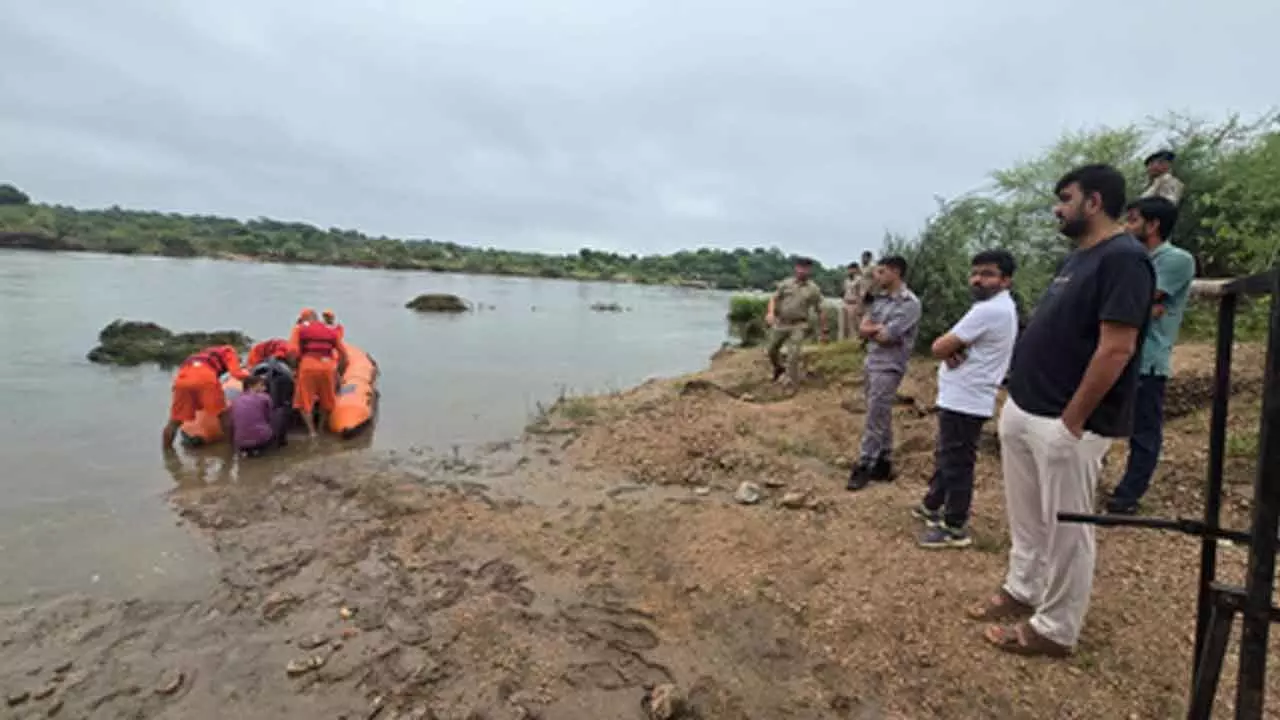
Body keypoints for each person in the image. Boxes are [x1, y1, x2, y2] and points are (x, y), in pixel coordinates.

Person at [971, 164, 1154, 658]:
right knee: (1028, 518)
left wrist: (1073, 419)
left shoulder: (1125, 260)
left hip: (1067, 423)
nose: (1058, 207)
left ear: (1093, 202)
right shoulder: (1080, 258)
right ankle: (1022, 588)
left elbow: (1116, 348)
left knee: (1067, 529)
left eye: (1065, 198)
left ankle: (1054, 627)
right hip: (1027, 408)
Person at [914, 250, 1020, 548]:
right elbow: (954, 346)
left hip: (967, 397)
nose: (977, 279)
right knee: (948, 454)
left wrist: (948, 348)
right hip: (965, 394)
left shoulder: (989, 310)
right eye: (975, 273)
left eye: (987, 274)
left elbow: (938, 347)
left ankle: (955, 526)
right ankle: (932, 504)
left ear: (1006, 280)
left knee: (958, 461)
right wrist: (953, 349)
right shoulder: (996, 307)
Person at [1105, 196, 1196, 515]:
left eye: (1132, 220)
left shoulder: (1175, 259)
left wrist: (1141, 305)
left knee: (1143, 431)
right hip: (1116, 355)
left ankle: (1127, 496)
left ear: (1153, 224)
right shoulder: (1132, 258)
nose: (1127, 227)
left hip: (1147, 361)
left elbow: (1141, 299)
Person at [847, 255, 921, 490]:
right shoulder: (879, 300)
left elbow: (888, 336)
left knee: (874, 416)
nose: (876, 277)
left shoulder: (909, 303)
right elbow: (863, 328)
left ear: (895, 272)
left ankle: (865, 464)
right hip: (872, 361)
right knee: (879, 411)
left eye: (881, 272)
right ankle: (884, 460)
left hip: (890, 365)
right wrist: (875, 328)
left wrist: (876, 329)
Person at [162, 345, 250, 450]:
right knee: (224, 416)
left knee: (174, 421)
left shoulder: (198, 356)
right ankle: (230, 449)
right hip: (206, 380)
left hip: (182, 381)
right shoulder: (229, 351)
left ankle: (167, 453)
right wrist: (255, 379)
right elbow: (236, 374)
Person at [764, 257, 827, 385]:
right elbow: (774, 299)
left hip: (799, 325)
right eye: (800, 268)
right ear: (796, 268)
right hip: (781, 323)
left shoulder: (813, 289)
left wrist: (824, 330)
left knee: (793, 354)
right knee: (771, 350)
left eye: (805, 268)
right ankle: (778, 368)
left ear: (809, 270)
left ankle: (790, 381)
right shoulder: (786, 284)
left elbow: (820, 309)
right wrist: (770, 313)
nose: (802, 271)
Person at [290, 311, 348, 438]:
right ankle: (321, 428)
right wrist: (339, 371)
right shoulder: (330, 331)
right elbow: (344, 355)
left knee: (304, 401)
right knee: (327, 399)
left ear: (304, 319)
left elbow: (293, 351)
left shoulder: (299, 329)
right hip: (327, 367)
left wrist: (294, 367)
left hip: (308, 366)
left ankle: (312, 432)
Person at [229, 376, 286, 456]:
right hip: (261, 440)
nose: (265, 388)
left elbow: (232, 424)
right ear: (250, 386)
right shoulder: (265, 397)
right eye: (261, 385)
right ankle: (280, 445)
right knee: (280, 412)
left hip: (241, 444)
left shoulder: (235, 400)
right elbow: (269, 418)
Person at [841, 262, 871, 340]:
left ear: (855, 270)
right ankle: (843, 343)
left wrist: (860, 307)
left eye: (851, 269)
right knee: (844, 326)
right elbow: (844, 291)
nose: (849, 271)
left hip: (855, 304)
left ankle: (856, 343)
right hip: (845, 304)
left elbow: (862, 294)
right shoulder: (846, 280)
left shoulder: (860, 280)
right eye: (848, 269)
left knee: (854, 327)